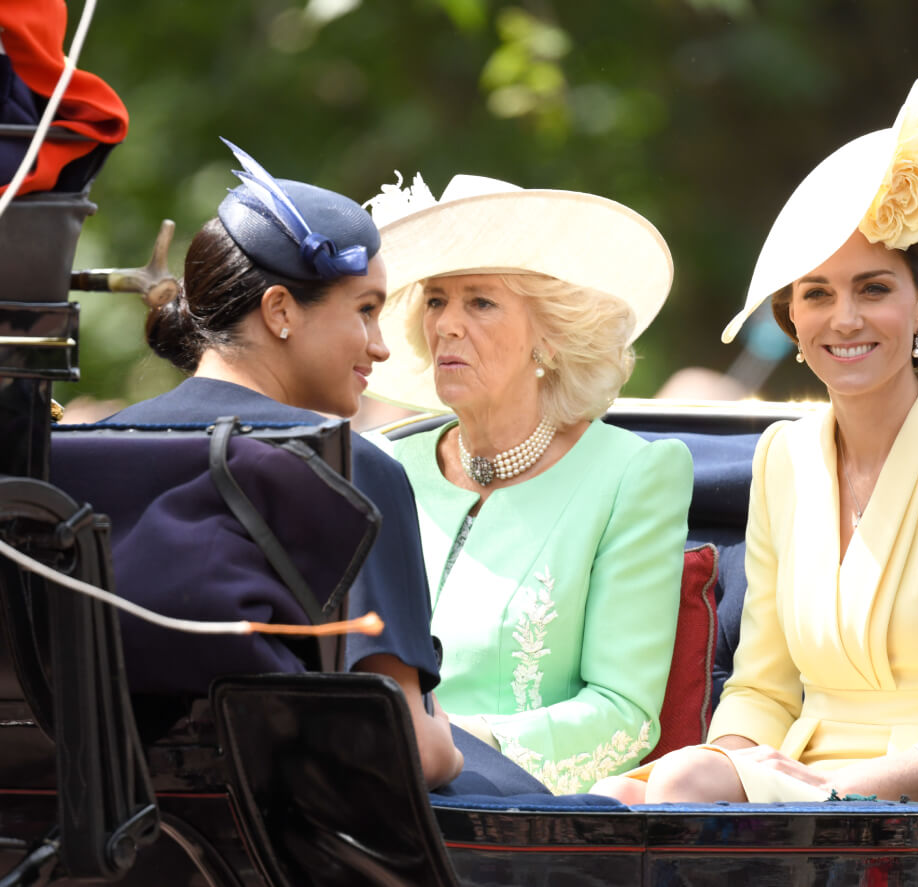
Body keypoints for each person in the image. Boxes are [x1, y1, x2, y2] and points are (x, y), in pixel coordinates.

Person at [595, 73, 918, 804]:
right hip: (790, 774)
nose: (843, 318)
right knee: (624, 799)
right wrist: (727, 763)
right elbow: (760, 685)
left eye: (873, 288)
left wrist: (849, 784)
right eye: (816, 293)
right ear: (791, 320)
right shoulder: (781, 459)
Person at [106, 140, 463, 789]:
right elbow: (414, 749)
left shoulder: (86, 450)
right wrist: (451, 744)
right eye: (365, 310)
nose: (381, 347)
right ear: (279, 311)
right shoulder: (349, 470)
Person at [355, 173, 693, 795]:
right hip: (365, 788)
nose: (447, 325)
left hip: (515, 815)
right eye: (436, 300)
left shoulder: (634, 474)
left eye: (480, 302)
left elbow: (625, 716)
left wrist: (453, 747)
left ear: (549, 336)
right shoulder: (381, 466)